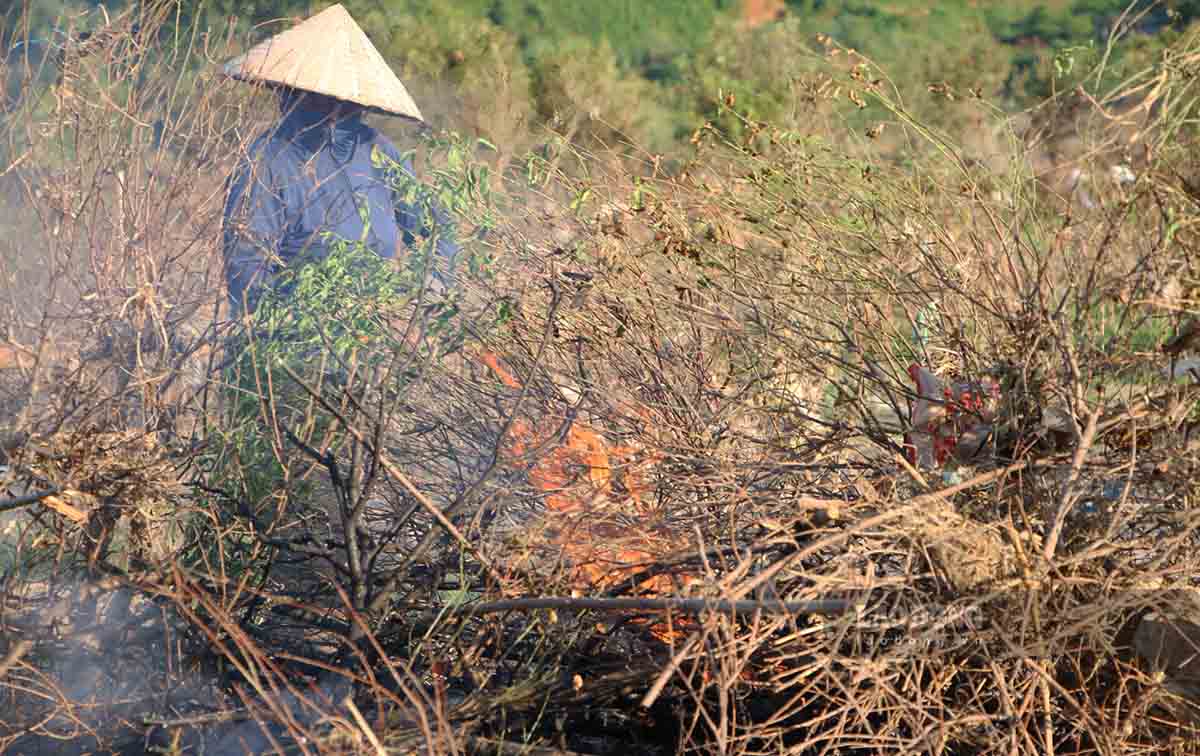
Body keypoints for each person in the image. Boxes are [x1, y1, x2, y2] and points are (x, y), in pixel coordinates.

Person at [220, 4, 458, 316]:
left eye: (340, 100)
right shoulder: (268, 160)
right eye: (317, 96)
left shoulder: (377, 151)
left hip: (373, 343)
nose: (332, 106)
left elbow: (434, 228)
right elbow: (246, 265)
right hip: (294, 345)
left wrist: (434, 287)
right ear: (290, 92)